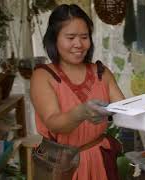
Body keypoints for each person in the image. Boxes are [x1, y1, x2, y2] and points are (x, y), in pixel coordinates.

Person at [30, 4, 125, 180]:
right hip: (61, 165)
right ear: (54, 39)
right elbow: (53, 122)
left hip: (99, 159)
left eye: (84, 37)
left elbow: (125, 110)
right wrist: (81, 112)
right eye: (70, 37)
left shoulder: (101, 73)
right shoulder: (43, 76)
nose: (79, 44)